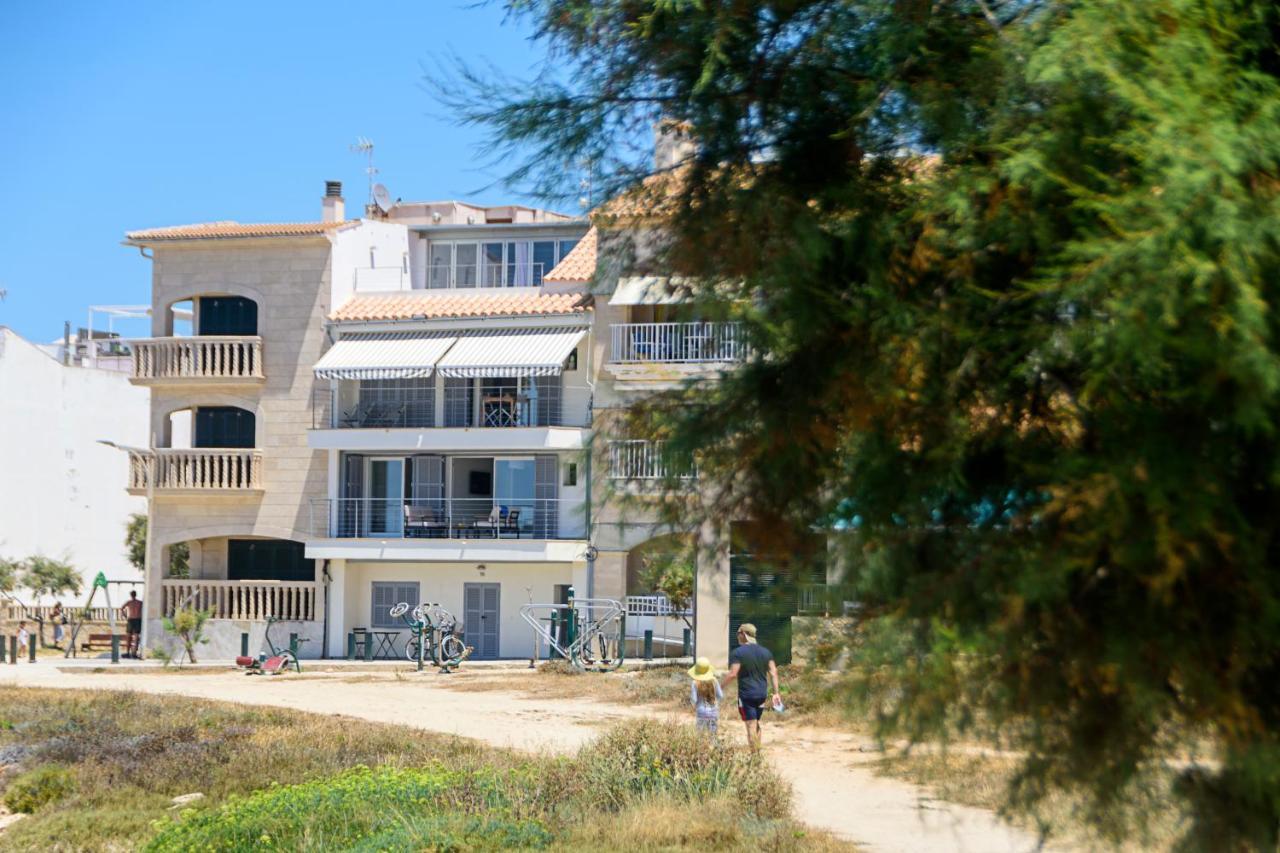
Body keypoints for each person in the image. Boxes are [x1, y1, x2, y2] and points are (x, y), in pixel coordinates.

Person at [721, 623, 782, 750]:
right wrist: (776, 693)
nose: (737, 636)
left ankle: (755, 759)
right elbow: (773, 672)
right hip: (761, 695)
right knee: (756, 723)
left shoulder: (738, 653)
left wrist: (719, 687)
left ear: (743, 634)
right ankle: (757, 754)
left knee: (750, 725)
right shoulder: (766, 652)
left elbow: (733, 674)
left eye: (738, 633)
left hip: (747, 695)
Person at [688, 656, 723, 739]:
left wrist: (693, 706)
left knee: (700, 735)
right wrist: (715, 703)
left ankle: (702, 750)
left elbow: (694, 699)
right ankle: (714, 749)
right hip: (714, 711)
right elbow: (720, 696)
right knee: (713, 736)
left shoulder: (695, 682)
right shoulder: (714, 680)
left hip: (701, 711)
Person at [122, 590, 143, 659]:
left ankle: (129, 652)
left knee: (129, 637)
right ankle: (133, 653)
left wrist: (125, 616)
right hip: (136, 619)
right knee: (135, 637)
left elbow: (122, 608)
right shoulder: (139, 603)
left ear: (131, 595)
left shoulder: (129, 602)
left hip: (131, 619)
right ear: (135, 595)